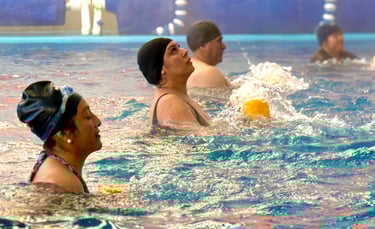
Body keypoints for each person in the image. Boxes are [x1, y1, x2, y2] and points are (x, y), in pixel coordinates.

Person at [17, 81, 102, 193]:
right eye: (87, 117)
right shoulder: (61, 184)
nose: (98, 121)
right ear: (67, 133)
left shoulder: (57, 168)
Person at [137, 37, 210, 133]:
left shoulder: (176, 97)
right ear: (161, 69)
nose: (185, 51)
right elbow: (198, 143)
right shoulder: (171, 103)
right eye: (173, 50)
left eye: (178, 47)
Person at [186, 20, 232, 88]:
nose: (223, 46)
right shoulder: (207, 72)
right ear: (203, 46)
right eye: (219, 41)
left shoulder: (188, 69)